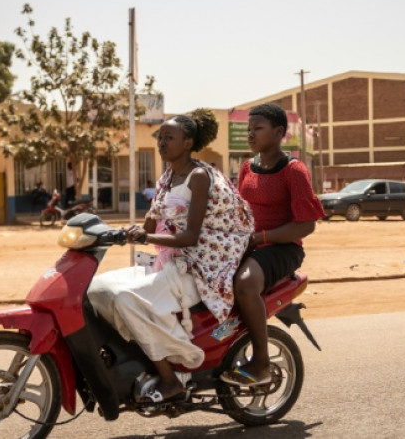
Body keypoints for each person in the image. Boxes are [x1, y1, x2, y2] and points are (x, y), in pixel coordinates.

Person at [87, 109, 253, 403]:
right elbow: (150, 223)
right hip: (168, 262)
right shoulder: (168, 177)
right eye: (160, 137)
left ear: (188, 142)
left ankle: (170, 377)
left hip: (199, 270)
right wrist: (122, 230)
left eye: (169, 138)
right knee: (97, 289)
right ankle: (136, 358)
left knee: (125, 299)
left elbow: (189, 236)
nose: (162, 143)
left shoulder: (198, 177)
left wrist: (146, 236)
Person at [222, 103, 324, 387]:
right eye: (249, 129)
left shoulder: (293, 170)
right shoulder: (247, 167)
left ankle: (261, 364)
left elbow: (306, 225)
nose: (251, 134)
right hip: (247, 245)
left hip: (281, 248)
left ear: (279, 132)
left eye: (258, 128)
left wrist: (260, 238)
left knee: (244, 284)